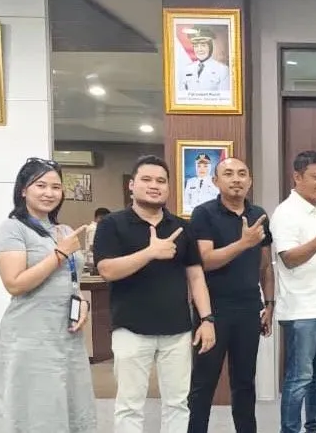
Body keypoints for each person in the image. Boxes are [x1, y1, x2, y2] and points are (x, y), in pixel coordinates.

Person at [93, 155, 216, 433]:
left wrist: (207, 319)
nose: (154, 185)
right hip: (131, 329)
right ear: (132, 185)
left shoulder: (181, 227)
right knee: (130, 405)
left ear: (168, 187)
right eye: (146, 179)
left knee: (177, 403)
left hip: (177, 330)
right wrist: (149, 253)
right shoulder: (112, 224)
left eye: (161, 181)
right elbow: (107, 270)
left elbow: (196, 276)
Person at [0, 157, 95, 432]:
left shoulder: (63, 230)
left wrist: (82, 303)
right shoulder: (12, 228)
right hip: (30, 335)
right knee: (37, 409)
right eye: (41, 185)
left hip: (67, 335)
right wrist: (60, 253)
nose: (49, 193)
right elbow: (15, 284)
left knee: (73, 405)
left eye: (56, 187)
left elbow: (72, 279)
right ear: (23, 190)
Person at [187, 158, 274, 433]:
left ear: (250, 181)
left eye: (242, 174)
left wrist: (269, 304)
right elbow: (205, 261)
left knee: (245, 383)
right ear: (216, 181)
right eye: (228, 174)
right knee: (204, 383)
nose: (236, 179)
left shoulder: (259, 214)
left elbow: (265, 265)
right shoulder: (203, 213)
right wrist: (243, 243)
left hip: (249, 309)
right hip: (212, 311)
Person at [270, 151, 316, 433]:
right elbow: (289, 259)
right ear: (297, 177)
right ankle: (290, 430)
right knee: (299, 377)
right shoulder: (285, 213)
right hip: (302, 311)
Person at [179, 26, 231, 92]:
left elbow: (224, 97)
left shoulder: (223, 70)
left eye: (203, 45)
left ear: (210, 47)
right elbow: (182, 95)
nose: (199, 49)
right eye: (196, 46)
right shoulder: (186, 69)